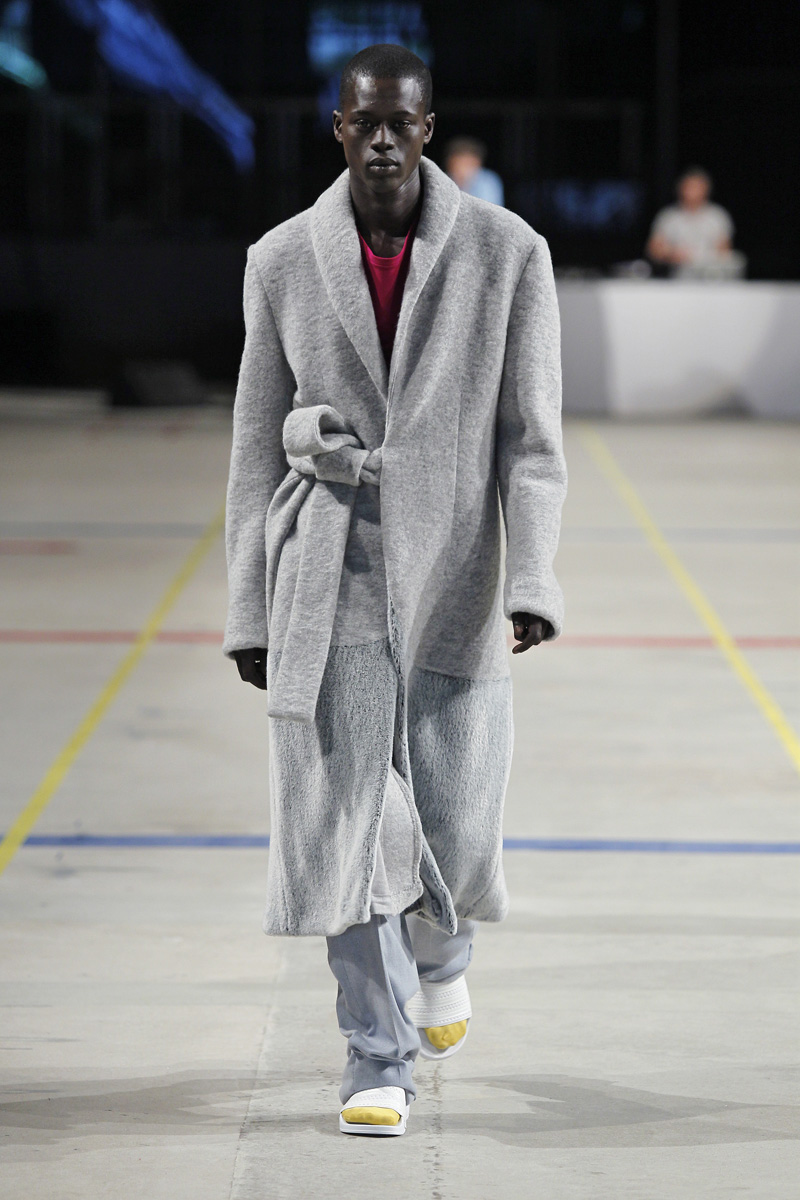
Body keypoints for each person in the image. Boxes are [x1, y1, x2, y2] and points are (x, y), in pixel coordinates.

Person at [223, 43, 566, 1138]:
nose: (381, 140)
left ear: (427, 127)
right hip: (327, 565)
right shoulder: (281, 259)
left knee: (454, 822)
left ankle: (444, 948)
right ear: (338, 129)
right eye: (362, 122)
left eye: (400, 122)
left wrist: (532, 575)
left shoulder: (507, 253)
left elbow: (532, 443)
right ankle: (375, 1057)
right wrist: (248, 607)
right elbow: (252, 448)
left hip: (457, 570)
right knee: (345, 819)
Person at [646, 167, 745, 278]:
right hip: (677, 277)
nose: (692, 191)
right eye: (689, 187)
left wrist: (701, 258)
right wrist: (672, 254)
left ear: (706, 189)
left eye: (697, 187)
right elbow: (654, 250)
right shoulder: (669, 217)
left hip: (710, 277)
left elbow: (725, 250)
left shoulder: (717, 216)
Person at [444, 135, 504, 206]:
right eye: (457, 164)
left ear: (477, 163)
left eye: (466, 164)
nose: (461, 170)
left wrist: (467, 184)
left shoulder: (488, 181)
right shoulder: (444, 180)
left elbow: (489, 209)